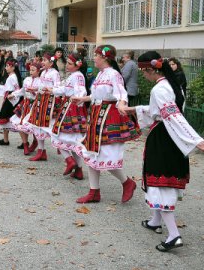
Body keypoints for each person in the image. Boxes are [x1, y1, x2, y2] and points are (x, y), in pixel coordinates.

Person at [119, 51, 204, 252]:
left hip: (165, 139)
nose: (144, 75)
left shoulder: (159, 89)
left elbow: (172, 116)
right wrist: (135, 109)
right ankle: (155, 221)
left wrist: (197, 140)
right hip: (168, 136)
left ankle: (174, 234)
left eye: (143, 72)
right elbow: (161, 110)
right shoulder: (172, 85)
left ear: (149, 70)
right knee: (156, 180)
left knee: (160, 183)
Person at [71, 45, 140, 204]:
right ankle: (94, 191)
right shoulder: (101, 74)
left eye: (96, 55)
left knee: (105, 155)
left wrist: (122, 104)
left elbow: (121, 93)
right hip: (96, 115)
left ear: (105, 58)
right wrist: (83, 99)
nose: (93, 58)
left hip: (108, 116)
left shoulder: (114, 74)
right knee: (92, 153)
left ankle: (127, 182)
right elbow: (97, 95)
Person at [49, 51, 88, 180]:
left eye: (70, 64)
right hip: (69, 105)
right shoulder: (74, 75)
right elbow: (65, 89)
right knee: (72, 140)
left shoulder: (77, 76)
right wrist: (52, 90)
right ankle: (78, 169)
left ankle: (69, 160)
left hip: (71, 107)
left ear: (78, 65)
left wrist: (78, 98)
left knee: (57, 135)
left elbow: (80, 90)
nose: (67, 65)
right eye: (68, 63)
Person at [25, 53, 61, 161]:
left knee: (49, 125)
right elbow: (41, 87)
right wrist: (35, 89)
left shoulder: (54, 73)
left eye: (45, 60)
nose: (42, 62)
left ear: (51, 62)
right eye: (42, 60)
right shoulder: (43, 72)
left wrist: (47, 89)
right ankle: (41, 151)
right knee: (37, 125)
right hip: (40, 100)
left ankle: (61, 146)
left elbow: (57, 87)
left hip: (50, 101)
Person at [9, 61, 41, 155]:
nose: (31, 72)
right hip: (25, 104)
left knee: (34, 126)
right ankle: (25, 144)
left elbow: (43, 93)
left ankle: (35, 142)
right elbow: (23, 91)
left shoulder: (41, 81)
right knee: (20, 124)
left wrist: (35, 92)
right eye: (30, 70)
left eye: (33, 70)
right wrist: (13, 94)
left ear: (38, 71)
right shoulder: (26, 79)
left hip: (35, 105)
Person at [0, 59, 23, 145]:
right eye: (6, 66)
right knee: (7, 119)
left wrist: (13, 96)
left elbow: (17, 89)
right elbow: (6, 88)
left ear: (13, 67)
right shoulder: (12, 76)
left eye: (7, 66)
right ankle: (6, 139)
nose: (6, 68)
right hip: (9, 98)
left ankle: (23, 142)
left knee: (10, 119)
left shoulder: (12, 77)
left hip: (11, 100)